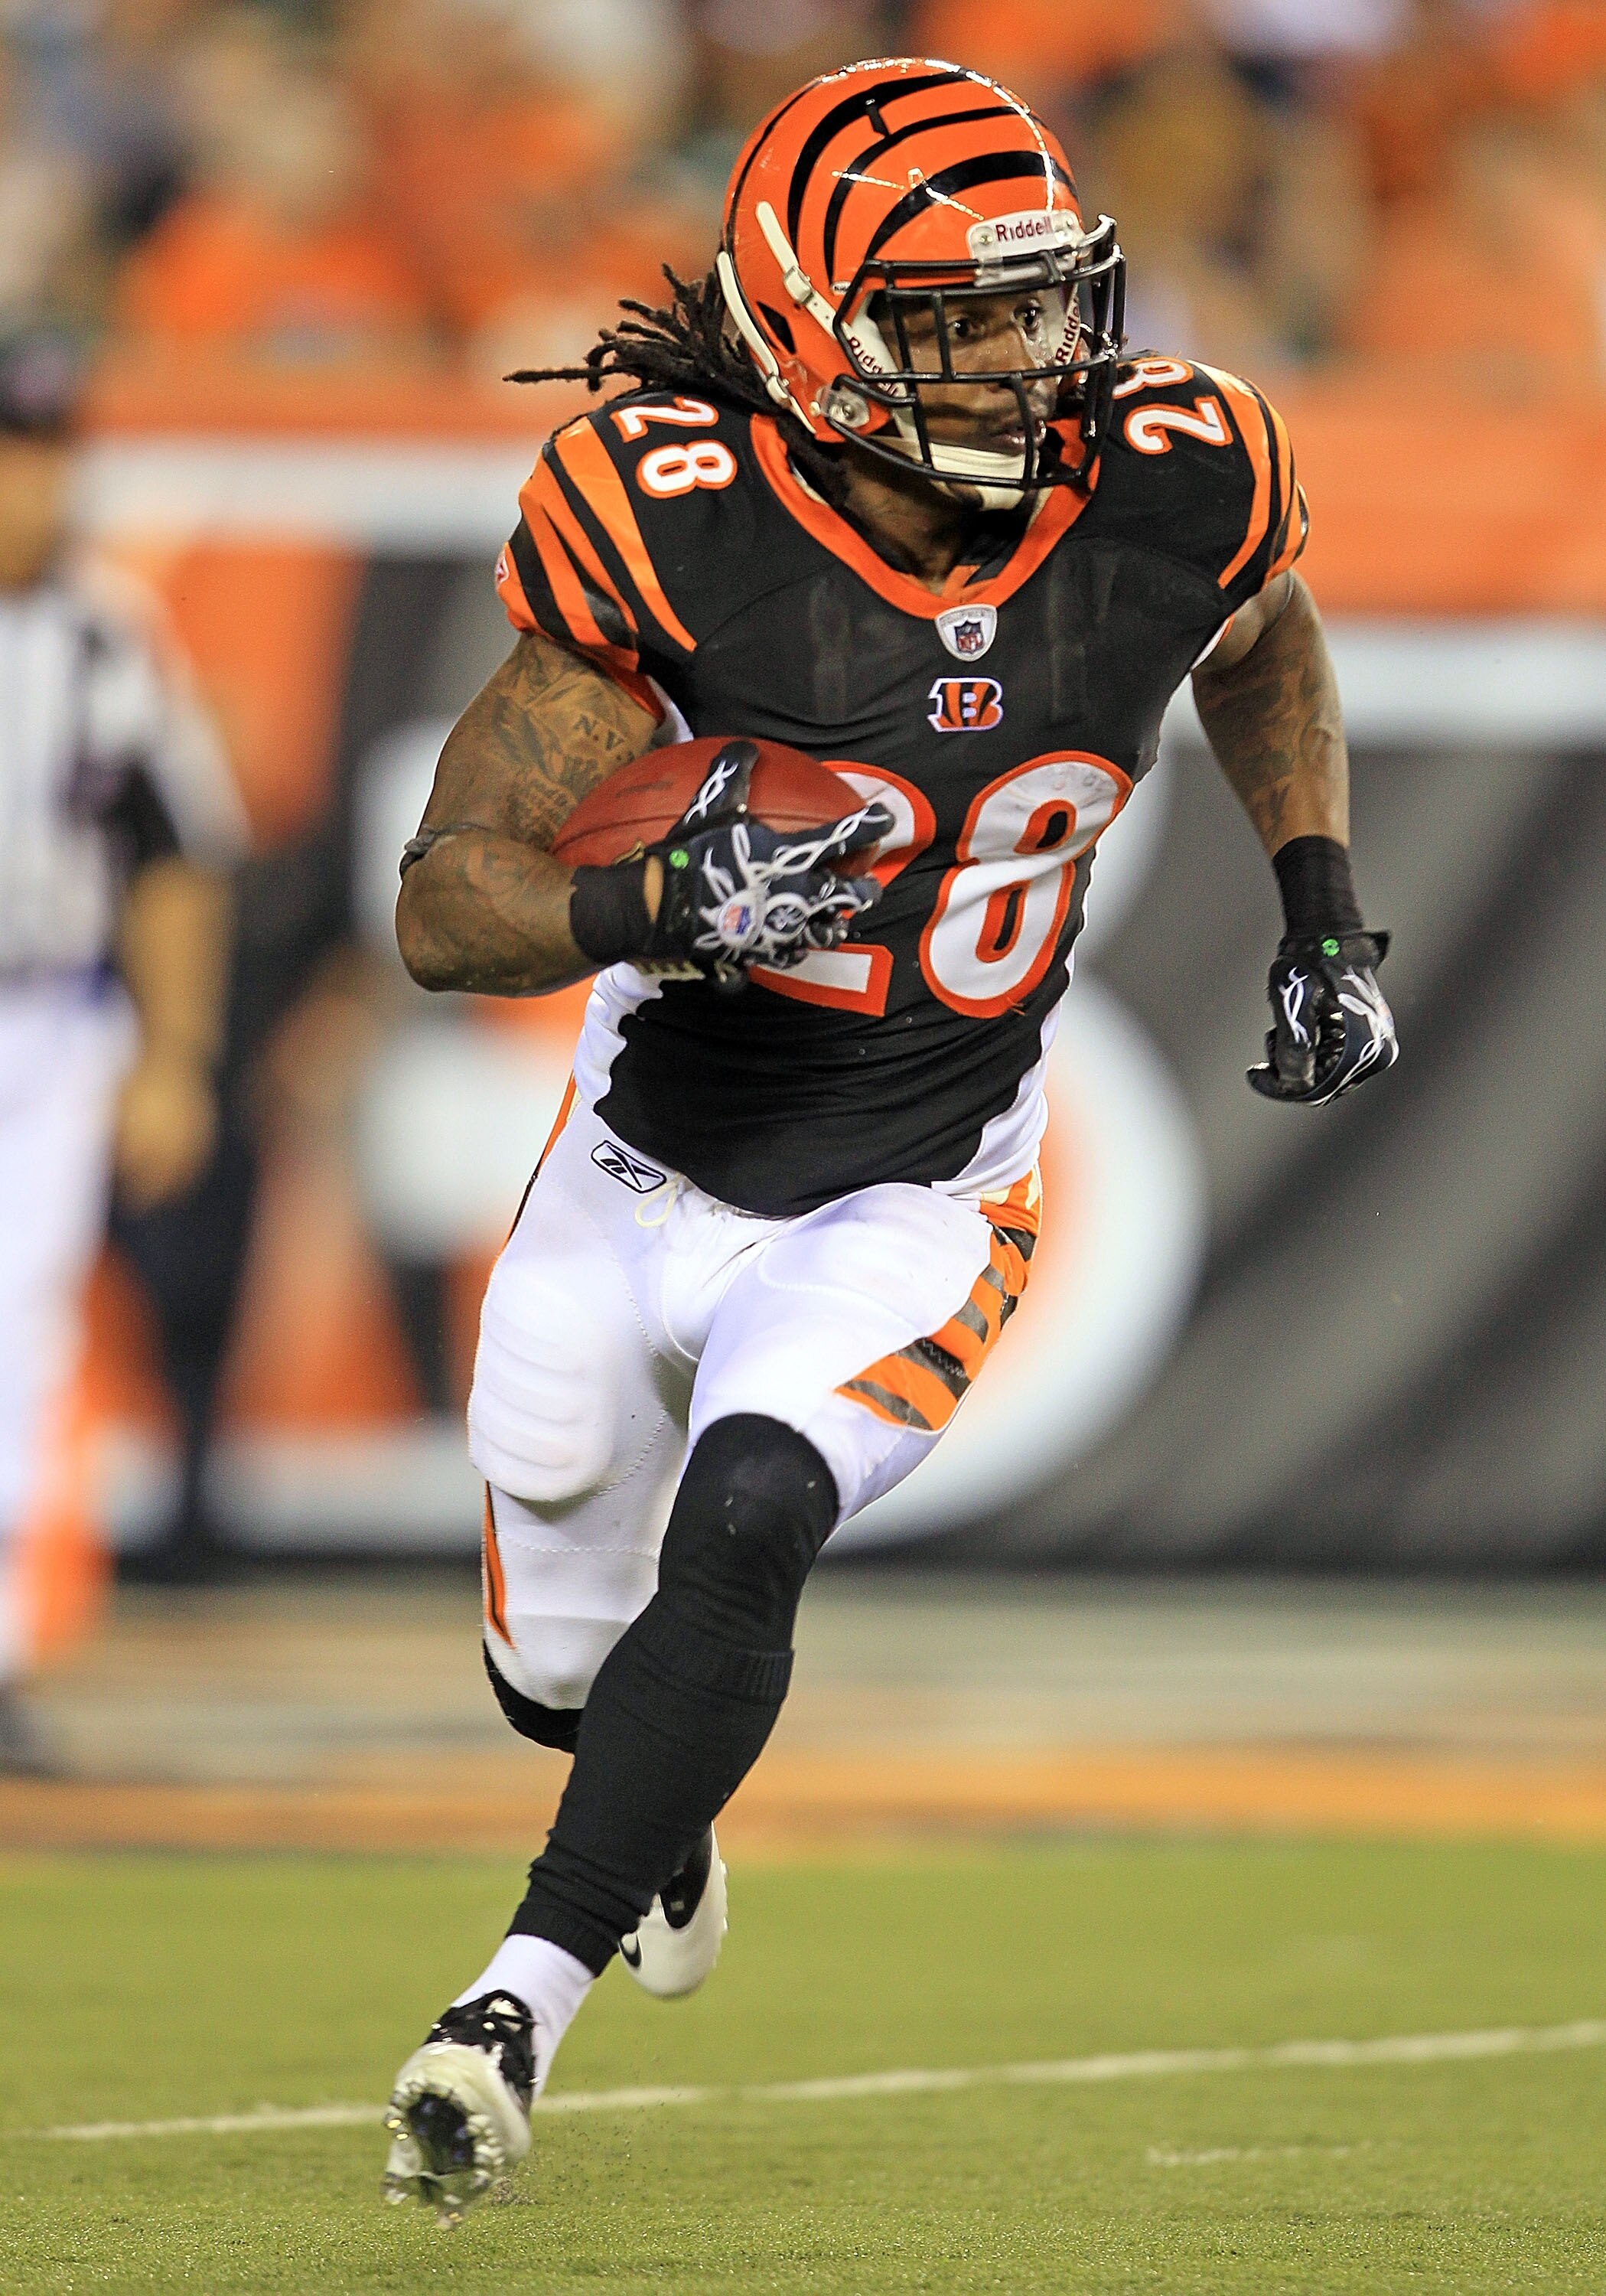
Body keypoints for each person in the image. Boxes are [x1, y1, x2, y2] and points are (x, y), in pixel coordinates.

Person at [383, 57, 1399, 2220]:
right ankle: (653, 1789)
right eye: (951, 319)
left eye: (1038, 308)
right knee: (560, 1653)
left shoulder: (1169, 475)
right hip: (642, 1158)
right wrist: (651, 900)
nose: (1022, 363)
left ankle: (507, 2010)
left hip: (925, 1181)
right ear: (806, 327)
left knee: (748, 1512)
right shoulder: (675, 520)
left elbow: (1258, 630)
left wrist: (1319, 908)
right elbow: (439, 899)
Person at [0, 332, 242, 1766]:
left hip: (43, 1019)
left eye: (49, 453)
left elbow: (174, 852)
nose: (37, 486)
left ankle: (4, 1657)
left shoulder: (103, 622)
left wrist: (178, 1053)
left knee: (17, 1343)